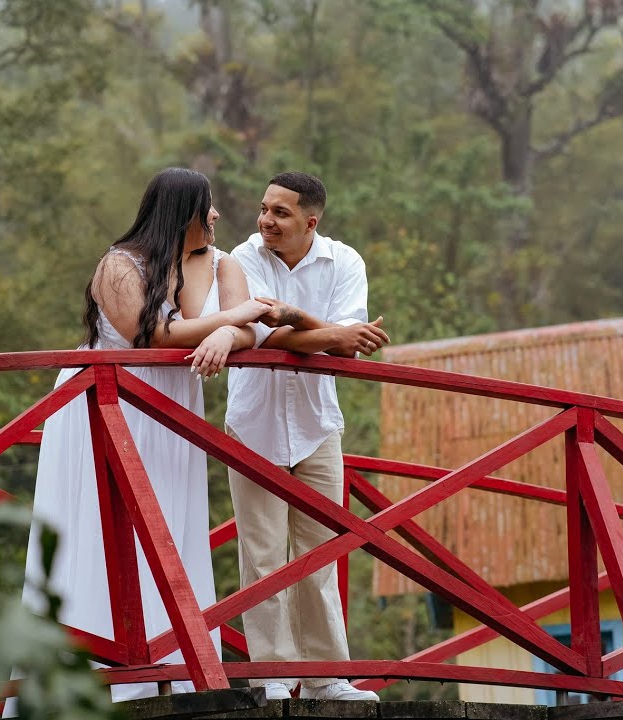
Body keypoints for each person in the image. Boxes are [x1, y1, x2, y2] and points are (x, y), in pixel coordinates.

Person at [5, 167, 272, 714]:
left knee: (169, 531)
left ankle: (166, 668)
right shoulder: (119, 265)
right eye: (208, 207)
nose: (217, 216)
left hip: (172, 411)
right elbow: (149, 335)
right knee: (96, 530)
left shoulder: (222, 264)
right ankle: (87, 674)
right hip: (104, 403)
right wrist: (235, 317)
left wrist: (229, 327)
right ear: (181, 214)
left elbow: (252, 328)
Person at [223, 171, 390, 702]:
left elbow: (345, 346)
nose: (265, 221)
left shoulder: (345, 262)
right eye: (264, 208)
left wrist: (305, 324)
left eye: (280, 213)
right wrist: (332, 333)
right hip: (254, 424)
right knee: (264, 556)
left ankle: (326, 681)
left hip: (319, 427)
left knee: (320, 556)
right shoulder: (241, 258)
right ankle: (270, 680)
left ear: (310, 222)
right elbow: (260, 335)